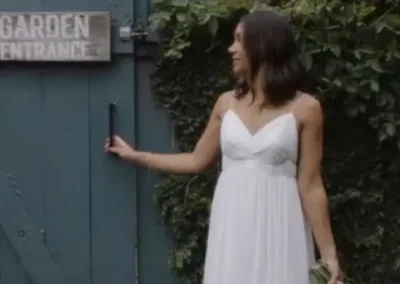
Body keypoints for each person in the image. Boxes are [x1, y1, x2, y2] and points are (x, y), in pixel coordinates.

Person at [105, 10, 341, 284]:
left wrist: (329, 255)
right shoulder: (225, 103)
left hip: (280, 224)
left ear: (263, 45)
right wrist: (136, 155)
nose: (232, 49)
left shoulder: (306, 108)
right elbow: (196, 160)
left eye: (240, 40)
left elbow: (311, 185)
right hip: (233, 222)